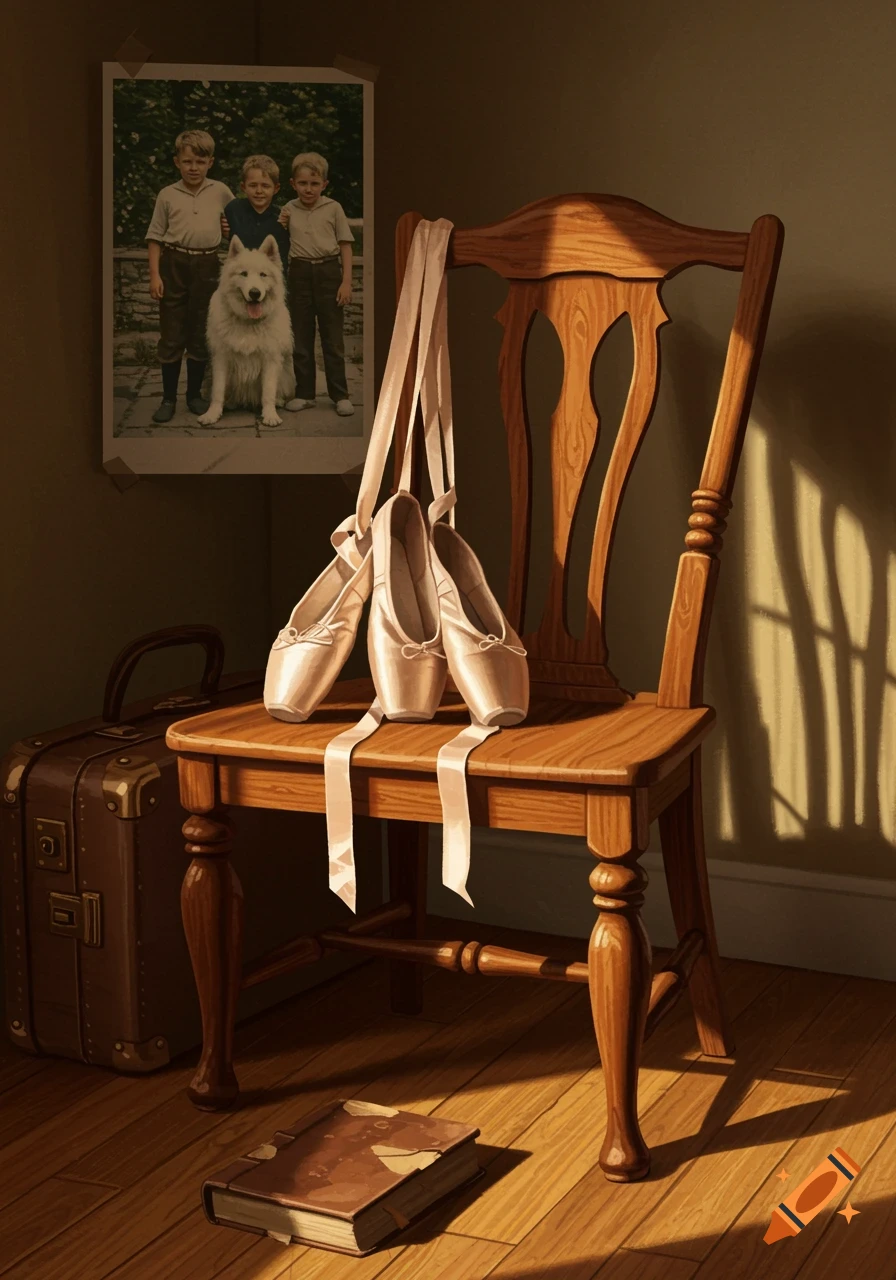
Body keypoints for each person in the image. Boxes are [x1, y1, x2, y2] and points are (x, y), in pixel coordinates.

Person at [144, 130, 233, 423]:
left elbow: (237, 224)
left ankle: (194, 395)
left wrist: (228, 229)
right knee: (172, 333)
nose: (193, 168)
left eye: (200, 161)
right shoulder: (167, 194)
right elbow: (155, 237)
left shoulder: (221, 191)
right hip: (174, 264)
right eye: (187, 161)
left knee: (200, 331)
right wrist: (155, 275)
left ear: (211, 162)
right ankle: (168, 398)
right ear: (176, 162)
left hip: (207, 265)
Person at [278, 151, 355, 416]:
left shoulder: (333, 208)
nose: (308, 189)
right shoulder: (288, 210)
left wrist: (346, 282)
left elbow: (345, 245)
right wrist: (281, 226)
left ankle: (340, 395)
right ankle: (305, 394)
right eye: (302, 183)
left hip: (328, 272)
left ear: (324, 184)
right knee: (301, 338)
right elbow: (279, 242)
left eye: (314, 183)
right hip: (299, 273)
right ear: (293, 184)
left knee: (332, 339)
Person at [220, 154, 291, 273]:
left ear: (276, 188)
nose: (259, 191)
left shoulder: (282, 217)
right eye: (253, 185)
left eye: (265, 186)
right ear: (243, 187)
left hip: (271, 278)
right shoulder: (233, 209)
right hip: (242, 275)